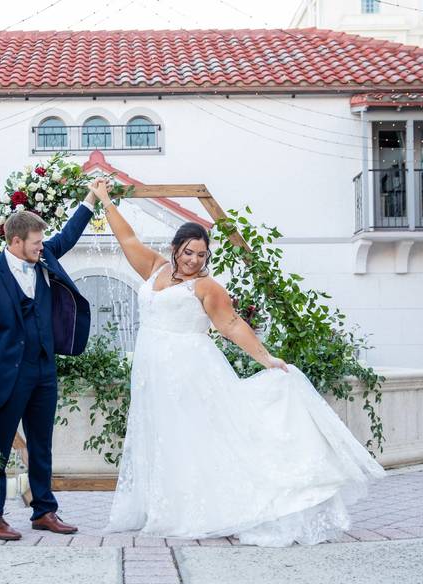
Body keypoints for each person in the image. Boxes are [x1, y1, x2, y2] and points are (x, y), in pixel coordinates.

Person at [88, 179, 387, 547]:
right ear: (175, 248)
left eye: (201, 254)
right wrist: (104, 200)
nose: (194, 260)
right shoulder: (155, 268)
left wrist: (266, 359)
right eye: (188, 252)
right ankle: (169, 506)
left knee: (198, 436)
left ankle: (209, 506)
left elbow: (230, 325)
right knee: (165, 435)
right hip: (153, 371)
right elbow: (127, 239)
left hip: (190, 369)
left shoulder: (206, 287)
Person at [0, 188, 96, 541]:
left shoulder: (45, 257)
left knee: (41, 444)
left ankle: (44, 511)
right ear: (16, 241)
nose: (41, 247)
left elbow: (68, 235)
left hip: (42, 372)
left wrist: (91, 200)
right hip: (4, 374)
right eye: (35, 242)